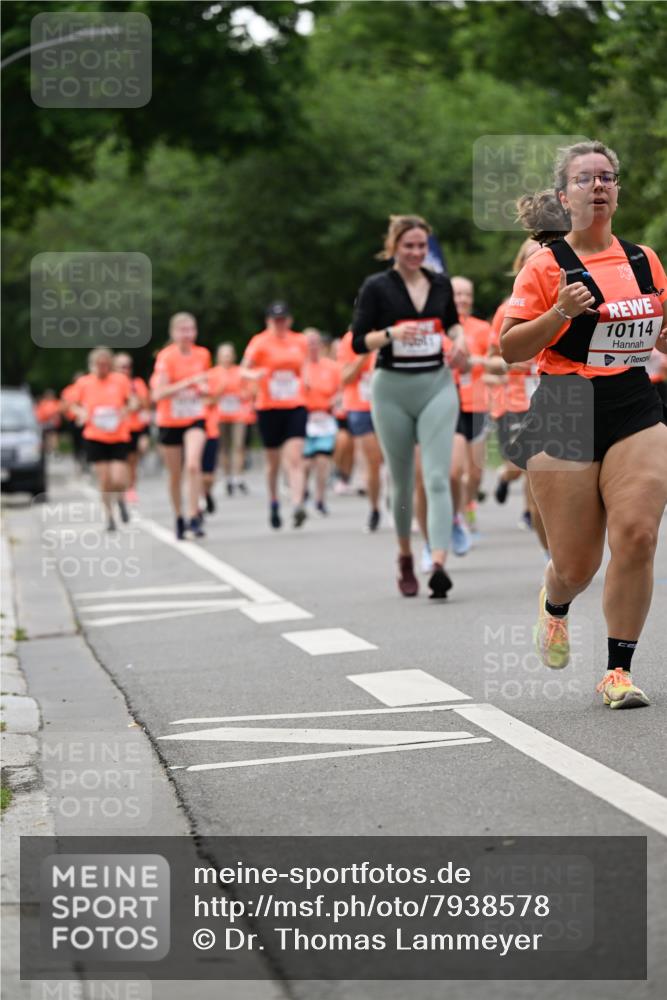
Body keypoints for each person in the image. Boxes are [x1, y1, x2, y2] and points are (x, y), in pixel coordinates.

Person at [500, 139, 667, 709]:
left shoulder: (644, 260)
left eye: (607, 177)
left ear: (617, 191)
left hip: (633, 402)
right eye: (585, 178)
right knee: (576, 565)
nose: (598, 185)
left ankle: (617, 672)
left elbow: (657, 330)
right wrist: (559, 313)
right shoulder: (544, 267)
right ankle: (555, 602)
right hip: (565, 406)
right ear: (563, 195)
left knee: (639, 536)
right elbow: (509, 348)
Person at [352, 214, 469, 598]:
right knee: (402, 480)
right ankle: (404, 554)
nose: (417, 252)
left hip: (437, 384)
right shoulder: (377, 287)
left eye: (422, 246)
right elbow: (358, 341)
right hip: (392, 390)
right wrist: (390, 334)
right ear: (394, 248)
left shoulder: (440, 283)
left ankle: (437, 562)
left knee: (436, 477)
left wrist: (460, 339)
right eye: (409, 246)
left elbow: (450, 322)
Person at [486, 239, 549, 553]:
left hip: (550, 395)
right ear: (521, 263)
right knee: (521, 463)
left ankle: (529, 510)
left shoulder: (560, 301)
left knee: (535, 463)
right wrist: (516, 359)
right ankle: (506, 476)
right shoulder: (507, 309)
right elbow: (491, 361)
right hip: (514, 398)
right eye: (530, 257)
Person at [241, 301, 308, 529]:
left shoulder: (299, 341)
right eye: (275, 320)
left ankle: (298, 504)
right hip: (268, 407)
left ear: (289, 320)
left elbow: (305, 367)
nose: (280, 324)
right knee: (273, 463)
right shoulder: (259, 342)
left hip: (295, 405)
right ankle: (273, 501)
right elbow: (243, 369)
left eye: (283, 319)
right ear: (268, 321)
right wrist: (254, 374)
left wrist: (306, 380)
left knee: (295, 458)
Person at [151, 312, 211, 540]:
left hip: (194, 416)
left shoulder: (203, 354)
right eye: (182, 330)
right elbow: (158, 393)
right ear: (173, 333)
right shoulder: (166, 358)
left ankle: (193, 514)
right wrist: (187, 383)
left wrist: (204, 389)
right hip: (170, 420)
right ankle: (178, 516)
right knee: (175, 474)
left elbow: (205, 383)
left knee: (194, 465)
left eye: (191, 329)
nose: (187, 335)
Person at [68, 348, 135, 531]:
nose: (102, 368)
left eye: (106, 364)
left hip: (118, 435)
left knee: (119, 479)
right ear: (92, 365)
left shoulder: (120, 380)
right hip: (95, 436)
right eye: (99, 365)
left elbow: (133, 401)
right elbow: (72, 405)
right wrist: (81, 412)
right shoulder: (84, 383)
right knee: (104, 479)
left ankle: (120, 498)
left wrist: (125, 410)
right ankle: (109, 517)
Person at [449, 276, 493, 551]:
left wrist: (475, 361)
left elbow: (495, 360)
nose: (463, 300)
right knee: (458, 470)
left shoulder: (482, 328)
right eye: (458, 295)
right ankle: (458, 518)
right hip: (451, 405)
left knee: (475, 474)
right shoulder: (443, 327)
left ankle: (468, 505)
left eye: (467, 295)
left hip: (478, 403)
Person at [337, 329, 383, 531]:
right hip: (361, 407)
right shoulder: (350, 340)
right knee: (373, 462)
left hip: (389, 405)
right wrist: (364, 355)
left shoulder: (390, 331)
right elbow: (345, 377)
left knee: (399, 461)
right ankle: (374, 508)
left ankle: (403, 508)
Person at [301, 328, 341, 515]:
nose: (313, 346)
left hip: (324, 419)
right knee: (306, 463)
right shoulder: (299, 367)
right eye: (309, 343)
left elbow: (341, 389)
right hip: (304, 420)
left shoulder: (331, 367)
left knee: (323, 461)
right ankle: (302, 493)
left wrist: (335, 401)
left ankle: (320, 499)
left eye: (316, 342)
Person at [212, 343, 251, 497]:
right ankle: (227, 477)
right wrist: (220, 390)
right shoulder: (214, 373)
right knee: (223, 447)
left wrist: (242, 393)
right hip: (220, 414)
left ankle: (238, 477)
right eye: (224, 354)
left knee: (239, 445)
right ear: (219, 357)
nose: (227, 357)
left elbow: (250, 390)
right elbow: (210, 394)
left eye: (229, 354)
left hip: (238, 413)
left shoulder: (240, 372)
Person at [113, 353, 151, 505]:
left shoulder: (137, 384)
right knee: (120, 463)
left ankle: (131, 488)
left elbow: (144, 404)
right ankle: (119, 488)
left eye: (127, 366)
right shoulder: (110, 385)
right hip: (115, 430)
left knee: (132, 461)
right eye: (121, 366)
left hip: (134, 427)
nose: (125, 370)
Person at [34, 390, 62, 455]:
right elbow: (39, 412)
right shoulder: (44, 403)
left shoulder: (55, 403)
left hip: (50, 423)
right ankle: (47, 450)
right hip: (44, 422)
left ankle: (54, 450)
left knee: (52, 436)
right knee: (46, 437)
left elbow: (57, 413)